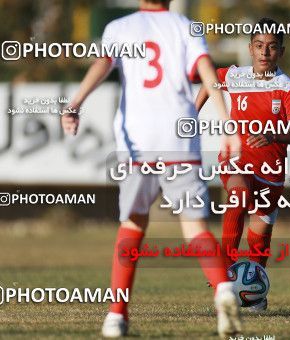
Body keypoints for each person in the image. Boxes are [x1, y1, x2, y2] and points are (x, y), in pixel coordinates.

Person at [61, 0, 242, 337]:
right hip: (179, 139)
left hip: (138, 143)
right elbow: (206, 71)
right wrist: (228, 125)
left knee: (132, 225)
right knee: (195, 227)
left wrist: (75, 103)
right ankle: (223, 288)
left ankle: (116, 316)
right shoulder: (186, 26)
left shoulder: (120, 27)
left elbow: (102, 65)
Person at [195, 17, 290, 311]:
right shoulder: (236, 76)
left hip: (271, 172)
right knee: (238, 195)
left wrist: (272, 135)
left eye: (271, 47)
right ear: (250, 48)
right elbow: (210, 80)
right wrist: (191, 111)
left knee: (260, 239)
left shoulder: (287, 88)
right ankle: (225, 268)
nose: (264, 52)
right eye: (259, 46)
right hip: (236, 160)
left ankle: (254, 296)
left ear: (280, 51)